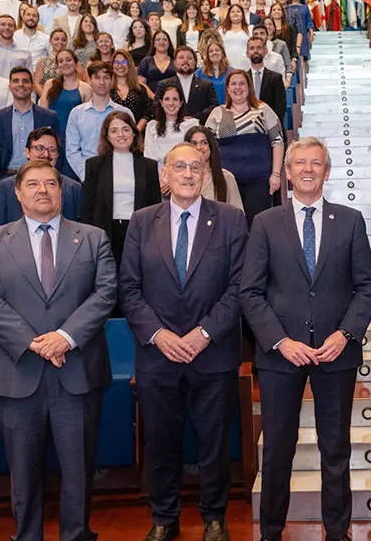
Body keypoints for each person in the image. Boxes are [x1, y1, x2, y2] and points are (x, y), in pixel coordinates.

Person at [242, 138, 371, 541]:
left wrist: (345, 334)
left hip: (335, 354)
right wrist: (280, 341)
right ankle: (270, 532)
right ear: (286, 172)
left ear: (327, 170)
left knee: (335, 450)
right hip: (280, 355)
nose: (306, 169)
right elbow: (250, 292)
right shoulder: (265, 223)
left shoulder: (350, 220)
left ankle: (337, 531)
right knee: (278, 450)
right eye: (298, 162)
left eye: (315, 163)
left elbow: (368, 286)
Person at [0, 159, 114, 541]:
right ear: (17, 194)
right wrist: (33, 342)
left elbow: (105, 294)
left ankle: (77, 534)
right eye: (32, 184)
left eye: (50, 183)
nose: (43, 190)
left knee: (79, 471)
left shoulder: (93, 237)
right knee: (23, 473)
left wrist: (64, 337)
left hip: (77, 372)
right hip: (19, 375)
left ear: (62, 191)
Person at [118, 142, 247, 541]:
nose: (189, 174)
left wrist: (204, 332)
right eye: (180, 167)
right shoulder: (141, 222)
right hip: (158, 355)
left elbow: (240, 286)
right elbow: (129, 288)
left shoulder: (230, 220)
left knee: (213, 442)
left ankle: (214, 517)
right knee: (160, 441)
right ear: (165, 175)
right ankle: (163, 517)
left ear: (206, 174)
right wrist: (159, 335)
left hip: (213, 353)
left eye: (196, 167)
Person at [80, 111, 162, 268]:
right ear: (107, 136)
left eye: (125, 129)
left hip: (138, 231)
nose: (121, 135)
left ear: (133, 132)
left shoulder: (149, 166)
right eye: (114, 130)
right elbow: (87, 207)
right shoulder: (94, 165)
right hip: (105, 231)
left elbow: (155, 207)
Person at [205, 68, 284, 222]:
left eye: (242, 83)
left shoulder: (263, 109)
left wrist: (275, 174)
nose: (238, 87)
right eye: (233, 84)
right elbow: (206, 146)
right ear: (227, 88)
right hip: (226, 181)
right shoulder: (217, 113)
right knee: (230, 224)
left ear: (249, 87)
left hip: (259, 180)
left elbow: (278, 141)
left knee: (257, 224)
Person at [0, 127, 83, 229]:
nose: (46, 154)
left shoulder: (73, 188)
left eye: (52, 150)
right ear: (27, 152)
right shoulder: (7, 186)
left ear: (57, 155)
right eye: (40, 148)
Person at [65, 60, 136, 182]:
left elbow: (133, 146)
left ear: (112, 81)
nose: (102, 82)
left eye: (106, 78)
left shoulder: (125, 113)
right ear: (89, 80)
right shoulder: (77, 113)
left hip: (120, 176)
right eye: (97, 77)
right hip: (88, 177)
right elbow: (72, 151)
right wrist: (87, 175)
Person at [0, 67, 60, 180]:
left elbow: (57, 150)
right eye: (16, 81)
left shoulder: (49, 117)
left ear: (32, 87)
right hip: (7, 177)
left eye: (25, 81)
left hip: (40, 176)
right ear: (9, 87)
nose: (21, 84)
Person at [185, 125, 243, 210]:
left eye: (204, 143)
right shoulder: (181, 178)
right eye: (194, 143)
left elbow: (237, 215)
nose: (199, 147)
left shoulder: (226, 177)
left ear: (211, 146)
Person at [144, 80, 198, 163]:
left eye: (175, 99)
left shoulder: (191, 125)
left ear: (181, 103)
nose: (171, 103)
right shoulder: (152, 127)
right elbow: (149, 157)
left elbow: (195, 154)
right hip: (159, 173)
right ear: (161, 102)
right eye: (167, 99)